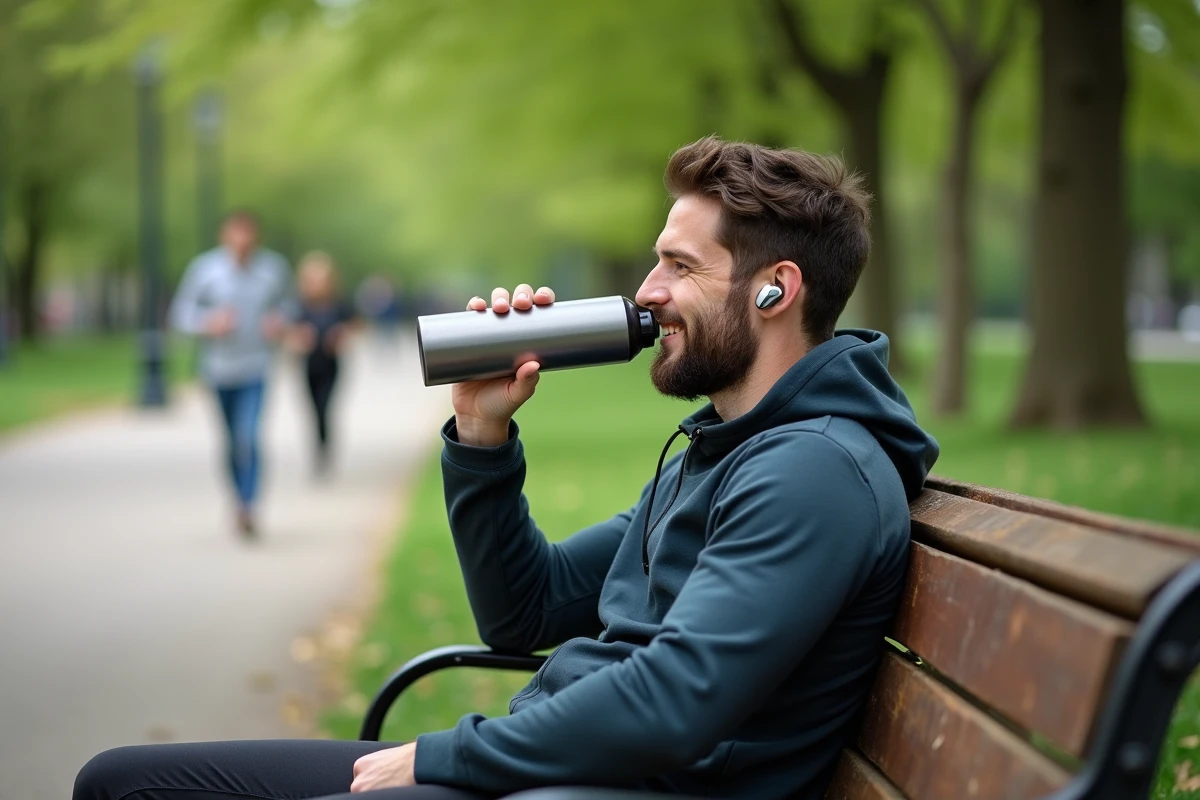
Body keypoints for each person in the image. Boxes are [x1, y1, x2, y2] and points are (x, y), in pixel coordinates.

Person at [75, 137, 939, 799]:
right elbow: (523, 613)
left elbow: (677, 701)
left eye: (679, 266)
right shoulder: (729, 447)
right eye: (654, 262)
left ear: (774, 289)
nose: (646, 292)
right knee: (120, 781)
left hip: (598, 786)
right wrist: (481, 434)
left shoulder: (813, 474)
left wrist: (445, 755)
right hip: (552, 773)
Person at [168, 210, 294, 538]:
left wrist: (278, 322)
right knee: (229, 440)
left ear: (256, 238)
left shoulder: (272, 270)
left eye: (248, 236)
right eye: (236, 236)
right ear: (225, 237)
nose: (242, 243)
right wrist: (208, 323)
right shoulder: (205, 270)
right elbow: (180, 313)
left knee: (248, 437)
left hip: (257, 366)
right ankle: (237, 496)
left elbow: (290, 307)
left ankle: (247, 506)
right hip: (218, 370)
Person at [290, 251, 358, 475]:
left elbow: (356, 325)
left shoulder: (339, 305)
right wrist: (299, 338)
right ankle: (319, 448)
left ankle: (326, 448)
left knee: (325, 407)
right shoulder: (300, 306)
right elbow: (288, 333)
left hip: (331, 365)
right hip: (308, 366)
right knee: (313, 410)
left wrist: (341, 334)